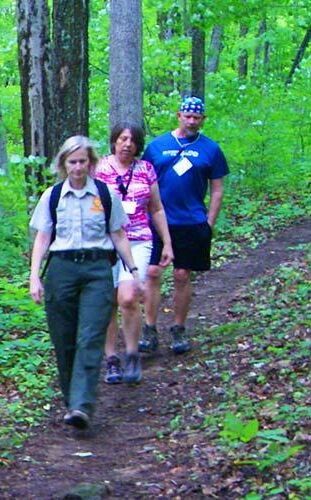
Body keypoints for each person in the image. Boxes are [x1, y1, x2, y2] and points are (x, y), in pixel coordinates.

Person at [29, 135, 140, 430]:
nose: (78, 167)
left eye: (83, 161)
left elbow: (118, 234)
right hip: (61, 269)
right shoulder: (51, 197)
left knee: (90, 337)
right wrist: (34, 277)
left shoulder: (105, 195)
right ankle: (72, 402)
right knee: (64, 340)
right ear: (64, 164)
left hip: (97, 269)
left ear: (91, 163)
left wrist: (134, 270)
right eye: (72, 162)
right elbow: (42, 238)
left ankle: (82, 405)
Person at [140, 96, 229, 355]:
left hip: (191, 221)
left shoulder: (210, 149)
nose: (191, 121)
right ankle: (149, 328)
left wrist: (209, 223)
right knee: (153, 272)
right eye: (187, 116)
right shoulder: (157, 146)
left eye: (197, 117)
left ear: (203, 119)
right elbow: (144, 182)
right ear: (178, 115)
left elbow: (217, 189)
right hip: (158, 221)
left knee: (182, 275)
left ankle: (178, 328)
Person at [93, 123, 173, 385]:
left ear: (138, 144)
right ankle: (111, 359)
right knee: (107, 302)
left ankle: (131, 354)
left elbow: (157, 208)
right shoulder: (100, 169)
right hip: (105, 242)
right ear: (114, 141)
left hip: (138, 240)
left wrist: (168, 242)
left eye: (132, 140)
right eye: (122, 139)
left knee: (128, 297)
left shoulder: (146, 170)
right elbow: (91, 207)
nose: (127, 144)